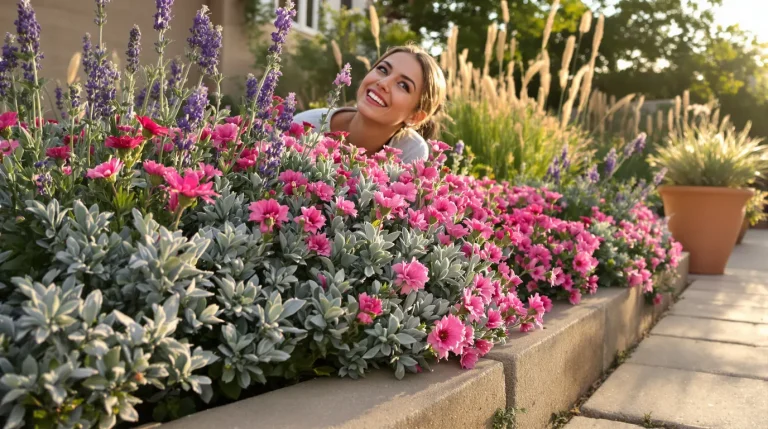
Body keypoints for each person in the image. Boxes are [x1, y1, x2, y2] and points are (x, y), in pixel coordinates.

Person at [292, 44, 446, 164]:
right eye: (383, 70)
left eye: (403, 85)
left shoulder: (411, 151)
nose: (383, 83)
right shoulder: (304, 127)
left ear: (415, 117)